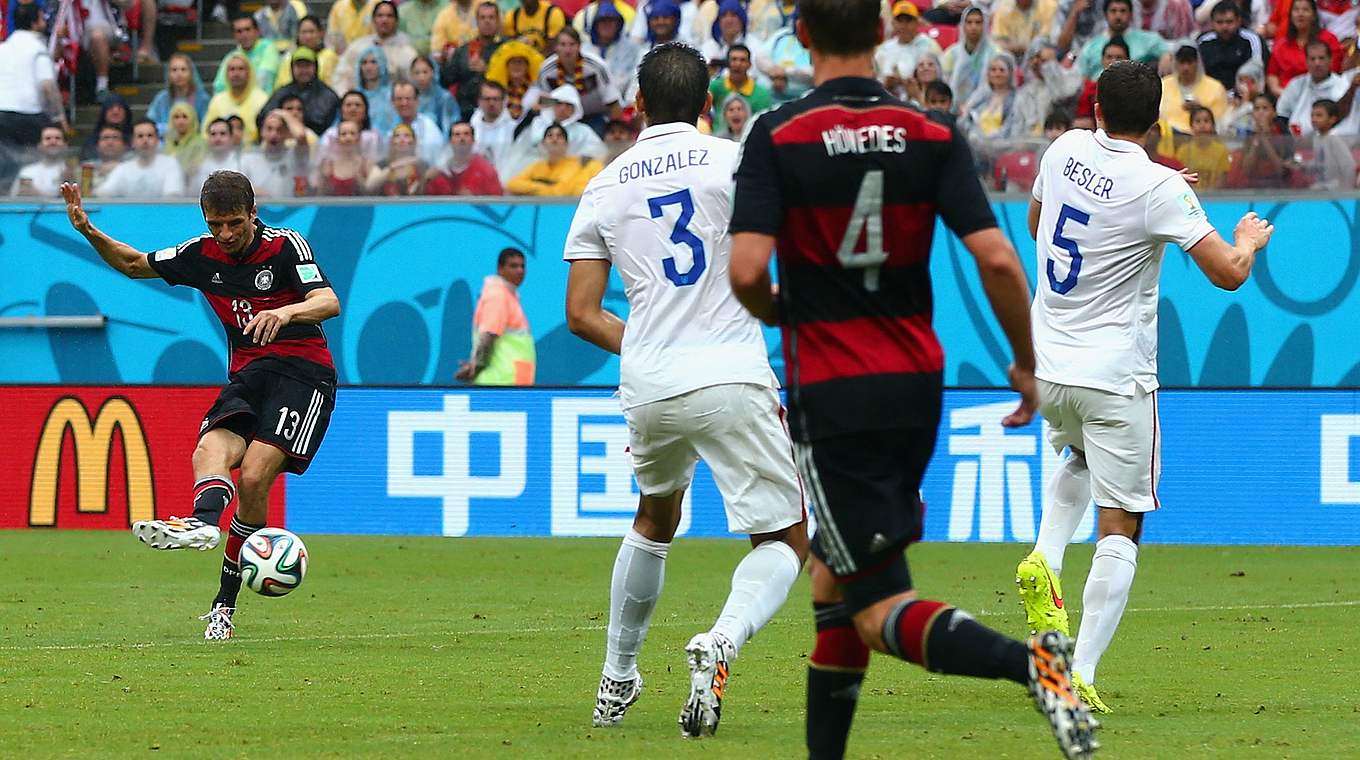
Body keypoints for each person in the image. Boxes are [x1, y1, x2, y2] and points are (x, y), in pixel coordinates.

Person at [725, 2, 1098, 758]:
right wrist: (1025, 363)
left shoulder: (778, 135)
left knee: (874, 605)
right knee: (834, 582)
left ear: (802, 36)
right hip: (915, 385)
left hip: (834, 391)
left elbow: (744, 272)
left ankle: (1033, 665)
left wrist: (788, 312)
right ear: (880, 38)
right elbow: (997, 259)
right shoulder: (930, 132)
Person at [563, 41, 807, 737]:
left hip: (649, 382)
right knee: (785, 539)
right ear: (708, 101)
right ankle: (721, 641)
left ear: (637, 103)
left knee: (654, 516)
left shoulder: (605, 183)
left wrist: (643, 343)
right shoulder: (736, 162)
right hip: (729, 370)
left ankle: (616, 677)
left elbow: (580, 312)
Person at [1015, 59, 1274, 717]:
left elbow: (1036, 224)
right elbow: (1227, 275)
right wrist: (1247, 239)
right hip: (1115, 377)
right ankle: (1077, 673)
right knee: (1123, 521)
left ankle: (1045, 556)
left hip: (1049, 364)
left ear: (1094, 109)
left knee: (1076, 457)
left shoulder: (1065, 148)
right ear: (1157, 120)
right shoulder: (1159, 186)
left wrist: (1155, 192)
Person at [61, 171, 342, 641]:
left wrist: (284, 311)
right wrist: (87, 230)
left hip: (304, 373)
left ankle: (223, 605)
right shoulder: (200, 254)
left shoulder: (286, 246)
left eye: (234, 223)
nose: (226, 235)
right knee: (209, 448)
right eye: (216, 225)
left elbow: (328, 301)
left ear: (253, 213)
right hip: (249, 375)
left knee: (253, 476)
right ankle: (204, 521)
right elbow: (133, 264)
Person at [0, 1, 66, 183]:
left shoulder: (2, 49)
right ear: (36, 22)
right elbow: (47, 86)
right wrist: (59, 118)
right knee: (30, 165)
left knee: (4, 167)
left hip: (1, 115)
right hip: (28, 116)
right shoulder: (37, 49)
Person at [456, 247, 535, 383]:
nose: (520, 271)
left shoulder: (508, 296)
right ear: (500, 269)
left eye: (522, 266)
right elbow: (488, 335)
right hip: (499, 383)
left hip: (509, 382)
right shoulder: (498, 295)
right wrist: (476, 368)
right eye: (513, 266)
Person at [537, 26, 623, 128]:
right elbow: (545, 102)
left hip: (596, 116)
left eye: (572, 44)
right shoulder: (546, 71)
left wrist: (613, 129)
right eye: (563, 45)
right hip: (563, 120)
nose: (567, 50)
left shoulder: (596, 66)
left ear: (579, 46)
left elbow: (613, 101)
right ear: (556, 47)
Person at [334, 1, 419, 94]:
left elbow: (414, 83)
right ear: (373, 20)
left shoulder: (406, 50)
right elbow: (341, 76)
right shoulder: (358, 47)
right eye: (380, 16)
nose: (384, 20)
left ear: (396, 21)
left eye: (389, 16)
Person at [1076, 0, 1169, 79]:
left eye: (1123, 11)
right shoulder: (1091, 46)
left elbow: (1167, 49)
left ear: (1131, 14)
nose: (1118, 16)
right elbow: (1081, 76)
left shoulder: (1146, 40)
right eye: (1113, 11)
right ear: (1105, 14)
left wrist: (1166, 55)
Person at [441, 1, 503, 118]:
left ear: (498, 21)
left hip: (497, 111)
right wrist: (445, 61)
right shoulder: (464, 50)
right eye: (482, 17)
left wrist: (487, 70)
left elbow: (512, 82)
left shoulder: (507, 49)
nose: (487, 21)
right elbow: (446, 80)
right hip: (465, 111)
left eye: (491, 17)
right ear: (476, 21)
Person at [260, 46, 341, 136]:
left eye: (307, 66)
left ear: (316, 68)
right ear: (292, 68)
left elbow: (320, 123)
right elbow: (263, 117)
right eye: (299, 66)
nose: (303, 71)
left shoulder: (328, 95)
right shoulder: (282, 92)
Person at [1277, 39, 1352, 136]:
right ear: (1306, 61)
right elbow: (1281, 116)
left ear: (1330, 60)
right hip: (1296, 143)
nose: (1317, 63)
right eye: (1312, 59)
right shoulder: (1295, 84)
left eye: (1321, 58)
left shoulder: (1343, 85)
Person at [95, 119, 187, 198]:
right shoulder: (124, 168)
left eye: (150, 135)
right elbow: (104, 193)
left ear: (157, 140)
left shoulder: (170, 164)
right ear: (133, 142)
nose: (145, 140)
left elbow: (173, 196)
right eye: (140, 136)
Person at [1267, 0, 1343, 96]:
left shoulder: (1328, 40)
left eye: (1305, 10)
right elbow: (1272, 75)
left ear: (1314, 15)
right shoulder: (1281, 44)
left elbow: (1333, 71)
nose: (1300, 14)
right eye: (1296, 10)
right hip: (1284, 97)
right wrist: (1282, 93)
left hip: (1321, 96)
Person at [505, 120, 601, 194]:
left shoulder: (577, 164)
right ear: (543, 144)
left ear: (566, 144)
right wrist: (541, 187)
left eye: (559, 136)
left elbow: (560, 192)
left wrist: (532, 187)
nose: (554, 139)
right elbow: (511, 184)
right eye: (550, 136)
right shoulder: (536, 166)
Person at [1196, 0, 1268, 93]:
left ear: (1238, 21)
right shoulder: (1203, 41)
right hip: (1209, 95)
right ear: (1212, 23)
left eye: (1229, 22)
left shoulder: (1251, 40)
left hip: (1243, 96)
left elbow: (1256, 72)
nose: (1224, 27)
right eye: (1219, 22)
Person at [1158, 44, 1228, 134]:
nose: (1185, 68)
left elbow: (1221, 123)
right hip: (1169, 137)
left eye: (1190, 63)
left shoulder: (1216, 88)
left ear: (1197, 63)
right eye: (1182, 63)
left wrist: (1201, 109)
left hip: (1203, 139)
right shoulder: (1163, 85)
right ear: (1175, 63)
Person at [875, 1, 942, 95]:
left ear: (917, 22)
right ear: (893, 23)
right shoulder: (884, 49)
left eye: (908, 21)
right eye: (899, 21)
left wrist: (904, 82)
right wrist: (887, 82)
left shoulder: (929, 45)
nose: (903, 26)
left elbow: (939, 77)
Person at [204, 53, 270, 144]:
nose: (236, 73)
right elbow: (206, 131)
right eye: (232, 69)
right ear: (226, 74)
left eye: (241, 69)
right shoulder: (217, 100)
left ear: (249, 73)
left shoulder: (262, 99)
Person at [241, 110, 310, 196]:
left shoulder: (295, 155)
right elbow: (240, 189)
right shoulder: (249, 158)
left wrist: (281, 113)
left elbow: (301, 135)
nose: (274, 134)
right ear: (262, 132)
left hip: (290, 208)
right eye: (269, 129)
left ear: (287, 133)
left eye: (279, 130)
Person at [941, 5, 997, 110]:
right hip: (953, 109)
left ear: (985, 25)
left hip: (986, 108)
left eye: (978, 22)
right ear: (963, 25)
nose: (973, 27)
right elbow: (944, 84)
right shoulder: (951, 53)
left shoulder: (995, 54)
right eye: (969, 22)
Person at [424, 120, 503, 194]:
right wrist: (425, 180)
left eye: (466, 134)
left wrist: (474, 200)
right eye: (457, 135)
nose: (462, 138)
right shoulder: (440, 171)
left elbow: (497, 200)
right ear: (450, 142)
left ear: (473, 140)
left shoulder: (485, 169)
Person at [148, 53, 213, 139]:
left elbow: (206, 127)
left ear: (191, 73)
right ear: (168, 74)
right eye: (174, 70)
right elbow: (150, 125)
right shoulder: (161, 99)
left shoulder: (202, 99)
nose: (179, 74)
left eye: (183, 69)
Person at [584, 1, 642, 97]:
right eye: (603, 20)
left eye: (611, 20)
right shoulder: (585, 50)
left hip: (622, 101)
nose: (607, 25)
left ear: (618, 23)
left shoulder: (631, 49)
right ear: (596, 24)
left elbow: (630, 79)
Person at [708, 43, 770, 132]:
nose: (738, 64)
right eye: (734, 59)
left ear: (750, 65)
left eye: (743, 60)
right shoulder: (716, 86)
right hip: (717, 138)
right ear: (727, 63)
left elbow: (763, 125)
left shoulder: (761, 94)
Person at [215, 14, 281, 96]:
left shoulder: (268, 48)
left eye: (247, 29)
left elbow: (263, 80)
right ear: (234, 36)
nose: (244, 35)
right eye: (239, 31)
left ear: (257, 31)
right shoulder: (231, 56)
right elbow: (219, 87)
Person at [485, 38, 545, 123]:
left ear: (527, 67)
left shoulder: (538, 91)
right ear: (506, 67)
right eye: (513, 62)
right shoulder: (499, 92)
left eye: (520, 62)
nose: (516, 66)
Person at [1075, 36, 1129, 128]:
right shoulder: (1090, 90)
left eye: (1119, 57)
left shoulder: (1136, 89)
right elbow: (1082, 120)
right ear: (1102, 60)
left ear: (1128, 60)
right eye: (1109, 57)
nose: (1113, 62)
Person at [387, 81, 446, 164]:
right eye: (399, 99)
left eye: (408, 98)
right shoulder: (388, 125)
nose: (404, 103)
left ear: (417, 101)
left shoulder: (428, 128)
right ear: (392, 102)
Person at [1174, 106, 1231, 187]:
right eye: (1198, 121)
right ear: (1191, 125)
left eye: (1206, 121)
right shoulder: (1183, 150)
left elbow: (1221, 180)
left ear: (1213, 125)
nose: (1202, 125)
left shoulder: (1222, 150)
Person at [1306, 98, 1358, 187]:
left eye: (1319, 115)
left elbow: (1348, 166)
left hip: (1337, 187)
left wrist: (1346, 189)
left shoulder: (1335, 139)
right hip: (1322, 185)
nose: (1314, 119)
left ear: (1332, 119)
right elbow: (1320, 161)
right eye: (1312, 115)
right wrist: (1303, 166)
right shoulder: (1317, 138)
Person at [277, 15, 339, 89]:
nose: (308, 36)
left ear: (321, 33)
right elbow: (282, 85)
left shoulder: (329, 56)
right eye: (304, 32)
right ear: (298, 34)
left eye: (311, 32)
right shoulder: (289, 58)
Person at [11, 124, 73, 197]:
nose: (53, 142)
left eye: (57, 138)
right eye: (48, 138)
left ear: (65, 145)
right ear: (39, 145)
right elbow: (12, 199)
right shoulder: (27, 172)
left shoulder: (75, 170)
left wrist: (70, 180)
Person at [320, 90, 383, 161]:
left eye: (358, 105)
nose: (353, 109)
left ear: (366, 111)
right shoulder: (330, 135)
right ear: (341, 110)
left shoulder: (374, 136)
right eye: (348, 105)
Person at [317, 119, 373, 194]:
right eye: (343, 134)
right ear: (338, 139)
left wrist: (359, 179)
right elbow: (320, 193)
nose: (348, 137)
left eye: (352, 133)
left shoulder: (365, 162)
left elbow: (371, 193)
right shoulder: (329, 162)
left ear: (359, 138)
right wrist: (324, 178)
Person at [350, 47, 399, 133]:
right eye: (364, 63)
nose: (368, 67)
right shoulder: (354, 96)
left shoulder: (392, 94)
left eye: (373, 62)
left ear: (382, 64)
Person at [189, 118, 245, 194]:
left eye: (223, 133)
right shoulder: (199, 164)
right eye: (213, 134)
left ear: (231, 137)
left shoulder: (243, 162)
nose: (217, 138)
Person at [991, 0, 1058, 59]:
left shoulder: (1049, 6)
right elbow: (998, 43)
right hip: (1012, 57)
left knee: (1047, 54)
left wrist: (1018, 47)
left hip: (1038, 57)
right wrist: (1021, 48)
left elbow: (1047, 41)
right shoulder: (1003, 8)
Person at [470, 80, 517, 166]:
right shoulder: (471, 127)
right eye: (487, 99)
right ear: (479, 101)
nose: (491, 103)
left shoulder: (515, 129)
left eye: (496, 99)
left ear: (503, 101)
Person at [408, 55, 458, 133]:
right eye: (417, 73)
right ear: (411, 75)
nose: (421, 77)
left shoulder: (444, 97)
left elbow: (449, 127)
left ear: (433, 72)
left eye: (425, 72)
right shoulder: (407, 98)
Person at [81, 94, 134, 161]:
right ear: (104, 113)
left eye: (120, 108)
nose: (115, 112)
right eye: (111, 108)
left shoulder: (136, 137)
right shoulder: (92, 141)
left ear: (126, 112)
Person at [165, 101, 209, 177]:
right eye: (176, 117)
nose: (180, 121)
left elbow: (196, 169)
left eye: (185, 117)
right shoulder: (168, 142)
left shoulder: (200, 143)